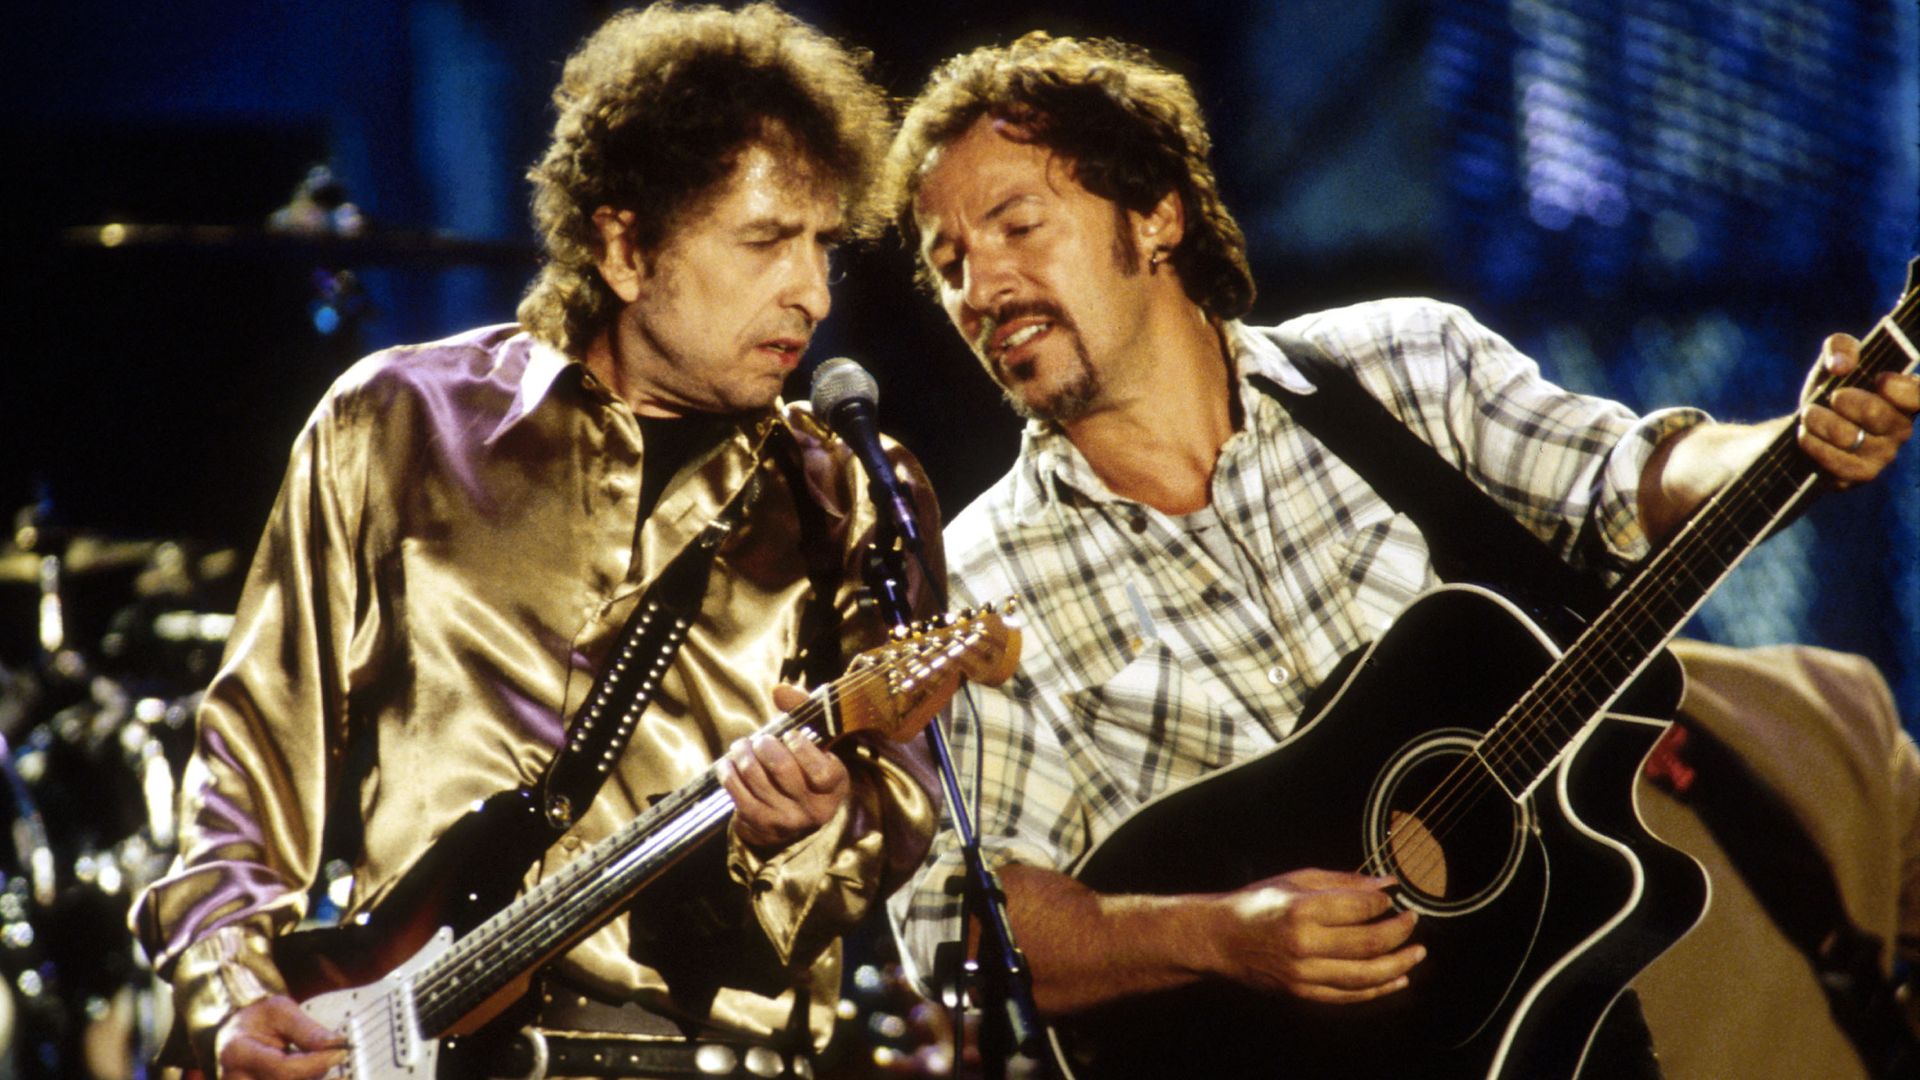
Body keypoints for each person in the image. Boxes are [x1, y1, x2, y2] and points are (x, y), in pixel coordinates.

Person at [879, 30, 1918, 1077]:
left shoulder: (1402, 366)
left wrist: (1789, 446)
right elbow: (962, 926)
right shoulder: (977, 585)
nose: (984, 287)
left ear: (1156, 215)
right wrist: (1220, 935)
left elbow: (1626, 481)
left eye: (1018, 225)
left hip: (1581, 1010)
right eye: (949, 263)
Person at [131, 5, 944, 1078]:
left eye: (824, 246)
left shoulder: (854, 492)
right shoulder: (396, 424)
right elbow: (247, 773)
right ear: (623, 244)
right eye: (764, 242)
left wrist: (813, 828)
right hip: (400, 1045)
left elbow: (907, 800)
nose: (812, 291)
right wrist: (231, 993)